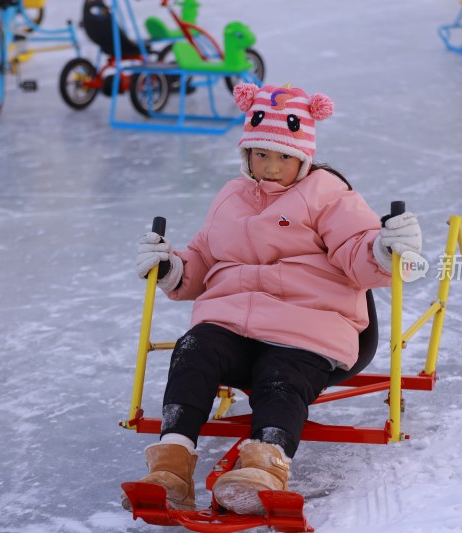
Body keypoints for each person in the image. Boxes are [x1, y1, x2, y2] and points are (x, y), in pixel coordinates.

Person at [125, 83, 423, 515]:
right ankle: (171, 463)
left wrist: (383, 249)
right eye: (260, 154)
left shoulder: (328, 195)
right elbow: (205, 254)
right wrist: (172, 268)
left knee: (280, 374)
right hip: (232, 323)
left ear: (302, 157)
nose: (270, 166)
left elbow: (357, 252)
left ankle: (265, 467)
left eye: (283, 156)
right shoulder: (231, 196)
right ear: (246, 154)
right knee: (195, 348)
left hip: (307, 326)